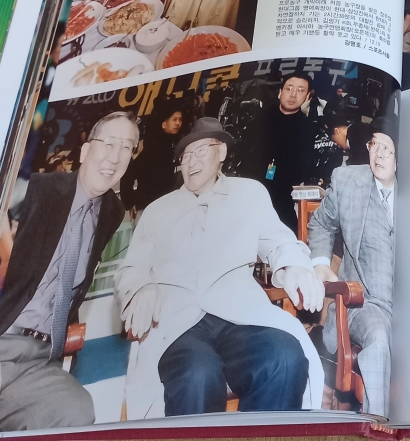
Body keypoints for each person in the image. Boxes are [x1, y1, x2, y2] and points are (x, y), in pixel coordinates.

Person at [115, 117, 325, 418]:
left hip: (242, 316)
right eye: (185, 156)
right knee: (198, 373)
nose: (191, 162)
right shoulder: (157, 211)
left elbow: (280, 241)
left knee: (285, 356)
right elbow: (132, 267)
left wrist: (295, 266)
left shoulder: (249, 193)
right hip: (177, 323)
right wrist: (140, 288)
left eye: (200, 151)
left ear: (222, 152)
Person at [0, 112, 138, 433]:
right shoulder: (33, 192)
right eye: (108, 143)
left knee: (76, 411)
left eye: (127, 147)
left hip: (38, 359)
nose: (115, 156)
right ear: (85, 151)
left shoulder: (111, 212)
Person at [309, 115, 397, 417]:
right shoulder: (348, 182)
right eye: (374, 145)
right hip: (364, 303)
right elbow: (321, 223)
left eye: (388, 148)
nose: (379, 155)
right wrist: (321, 263)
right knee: (379, 339)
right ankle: (378, 424)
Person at [252, 73, 318, 231]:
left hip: (283, 192)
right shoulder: (261, 117)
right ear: (280, 92)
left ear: (307, 97)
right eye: (289, 89)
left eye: (300, 91)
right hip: (254, 187)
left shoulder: (307, 127)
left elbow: (305, 165)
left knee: (288, 231)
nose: (293, 95)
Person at [120, 104, 184, 213]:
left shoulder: (173, 144)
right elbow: (128, 173)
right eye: (174, 119)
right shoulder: (150, 146)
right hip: (147, 206)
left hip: (166, 205)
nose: (178, 123)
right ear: (164, 124)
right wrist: (129, 201)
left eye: (180, 119)